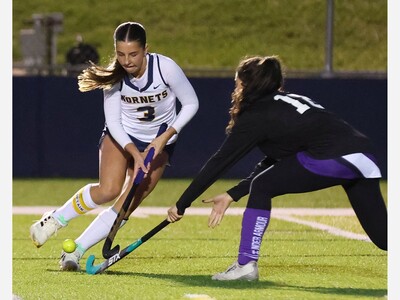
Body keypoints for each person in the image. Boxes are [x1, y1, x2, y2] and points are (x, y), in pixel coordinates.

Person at [167, 55, 387, 281]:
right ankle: (245, 264)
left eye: (237, 82)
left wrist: (182, 203)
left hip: (335, 157)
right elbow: (275, 161)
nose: (235, 87)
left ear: (245, 84)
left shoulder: (257, 115)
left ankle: (245, 265)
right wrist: (233, 194)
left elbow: (220, 161)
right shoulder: (285, 103)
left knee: (263, 185)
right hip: (364, 157)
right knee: (384, 238)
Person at [29, 21, 199, 271]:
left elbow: (191, 104)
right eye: (120, 54)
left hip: (161, 140)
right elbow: (114, 122)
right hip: (122, 137)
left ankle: (76, 251)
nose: (127, 61)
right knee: (108, 189)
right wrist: (134, 152)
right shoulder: (114, 77)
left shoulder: (166, 68)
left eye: (133, 54)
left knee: (126, 205)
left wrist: (163, 139)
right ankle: (55, 220)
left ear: (145, 50)